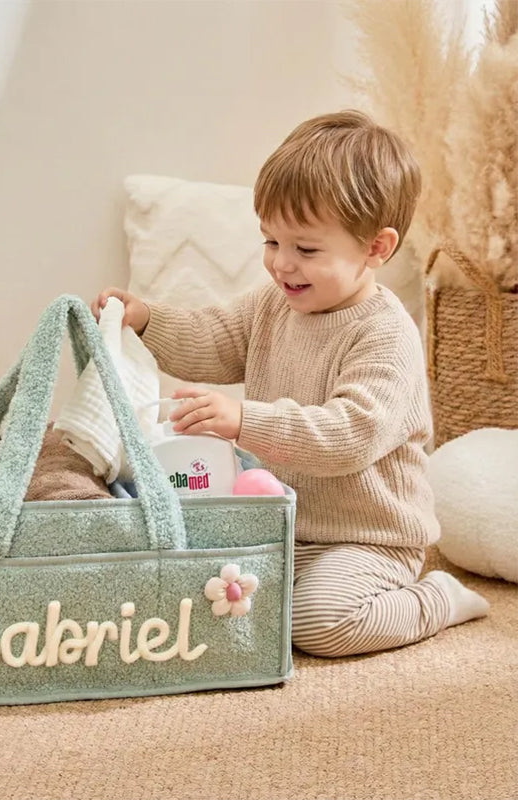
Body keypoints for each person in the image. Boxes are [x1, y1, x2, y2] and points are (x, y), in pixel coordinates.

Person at [91, 109, 489, 658]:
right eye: (271, 241)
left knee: (318, 622)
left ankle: (437, 598)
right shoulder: (272, 305)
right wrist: (146, 320)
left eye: (305, 249)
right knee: (187, 594)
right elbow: (214, 337)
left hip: (367, 540)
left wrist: (244, 420)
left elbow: (349, 434)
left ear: (376, 248)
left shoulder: (386, 334)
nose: (281, 264)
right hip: (280, 523)